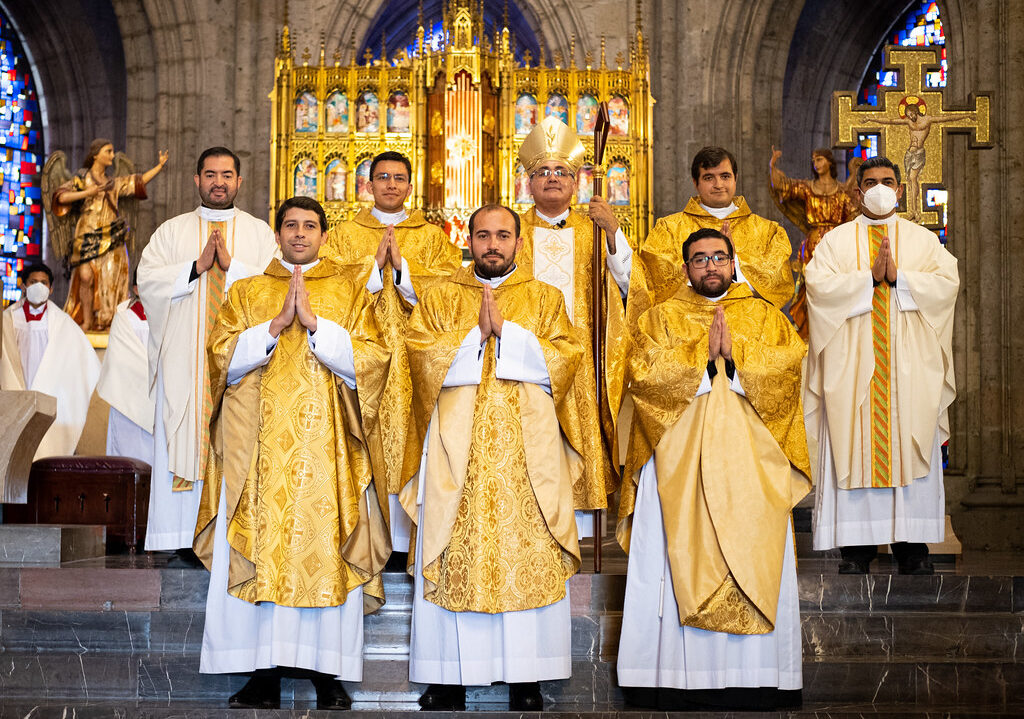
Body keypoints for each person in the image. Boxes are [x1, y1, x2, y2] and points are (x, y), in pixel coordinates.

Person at [193, 196, 391, 710]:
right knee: (260, 550)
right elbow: (219, 360)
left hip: (328, 451)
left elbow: (374, 359)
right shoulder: (247, 291)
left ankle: (328, 674)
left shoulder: (349, 292)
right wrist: (275, 326)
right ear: (277, 235)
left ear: (325, 236)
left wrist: (318, 327)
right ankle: (264, 675)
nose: (299, 234)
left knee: (325, 553)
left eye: (309, 226)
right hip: (258, 452)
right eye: (290, 226)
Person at [401, 204, 587, 712]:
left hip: (526, 456)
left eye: (502, 235)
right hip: (454, 450)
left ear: (518, 243)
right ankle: (447, 679)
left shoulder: (544, 298)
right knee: (451, 547)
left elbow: (567, 361)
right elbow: (419, 359)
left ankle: (526, 680)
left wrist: (510, 334)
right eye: (483, 235)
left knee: (525, 552)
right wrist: (474, 338)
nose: (492, 244)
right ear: (469, 239)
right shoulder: (441, 297)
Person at [616, 228, 811, 711]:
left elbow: (789, 371)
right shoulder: (661, 318)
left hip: (751, 468)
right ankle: (664, 678)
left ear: (733, 261)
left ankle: (760, 678)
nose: (710, 267)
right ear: (685, 269)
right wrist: (701, 361)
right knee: (670, 554)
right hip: (676, 466)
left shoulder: (764, 316)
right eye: (699, 259)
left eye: (718, 257)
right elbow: (640, 374)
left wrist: (737, 360)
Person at [805, 155, 959, 575]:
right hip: (853, 371)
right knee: (852, 445)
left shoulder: (923, 241)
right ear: (856, 191)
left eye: (887, 181)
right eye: (870, 181)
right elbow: (816, 289)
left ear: (901, 190)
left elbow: (947, 285)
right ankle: (856, 550)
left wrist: (902, 278)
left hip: (907, 370)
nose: (878, 188)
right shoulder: (836, 242)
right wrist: (867, 280)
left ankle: (912, 547)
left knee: (909, 443)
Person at [137, 147, 278, 555]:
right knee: (183, 436)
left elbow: (274, 287)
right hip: (185, 362)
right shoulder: (171, 231)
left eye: (227, 175)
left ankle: (232, 539)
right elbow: (147, 280)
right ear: (196, 180)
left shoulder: (258, 233)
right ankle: (181, 538)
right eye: (211, 174)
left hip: (243, 365)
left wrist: (232, 266)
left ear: (239, 181)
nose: (219, 182)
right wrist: (195, 268)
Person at [324, 150, 461, 556]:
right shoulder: (346, 234)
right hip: (360, 354)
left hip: (414, 357)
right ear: (368, 184)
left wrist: (401, 272)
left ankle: (406, 537)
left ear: (409, 185)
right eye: (382, 177)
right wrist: (371, 272)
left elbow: (452, 296)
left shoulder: (433, 237)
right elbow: (329, 290)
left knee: (411, 433)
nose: (390, 184)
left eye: (398, 178)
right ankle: (364, 532)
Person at [516, 115, 632, 533]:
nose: (552, 178)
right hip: (526, 353)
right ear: (528, 182)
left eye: (561, 172)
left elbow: (630, 285)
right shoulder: (510, 232)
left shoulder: (594, 227)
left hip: (582, 354)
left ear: (576, 182)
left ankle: (582, 525)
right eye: (542, 172)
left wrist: (614, 234)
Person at [630, 146, 794, 327]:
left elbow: (779, 288)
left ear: (736, 178)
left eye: (725, 176)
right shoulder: (668, 229)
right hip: (686, 328)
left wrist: (735, 261)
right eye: (709, 177)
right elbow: (655, 285)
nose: (718, 184)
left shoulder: (768, 231)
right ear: (695, 182)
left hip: (750, 328)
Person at [51, 139, 168, 331]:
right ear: (96, 154)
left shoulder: (113, 183)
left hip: (111, 236)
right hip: (87, 234)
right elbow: (61, 197)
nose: (112, 156)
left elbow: (136, 181)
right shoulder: (82, 178)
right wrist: (87, 192)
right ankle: (87, 320)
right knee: (85, 276)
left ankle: (107, 320)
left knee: (111, 277)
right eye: (109, 151)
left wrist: (159, 167)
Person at [0, 263, 101, 459]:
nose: (39, 286)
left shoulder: (62, 323)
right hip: (16, 390)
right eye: (33, 282)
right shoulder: (8, 319)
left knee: (45, 450)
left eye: (44, 283)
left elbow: (83, 361)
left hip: (50, 393)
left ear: (51, 288)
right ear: (23, 286)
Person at [769, 146, 860, 338]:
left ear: (829, 162)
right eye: (814, 161)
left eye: (819, 159)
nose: (816, 164)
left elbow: (853, 214)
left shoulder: (841, 191)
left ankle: (838, 331)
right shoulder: (808, 189)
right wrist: (773, 165)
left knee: (838, 289)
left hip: (838, 246)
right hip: (813, 247)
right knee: (810, 289)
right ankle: (810, 332)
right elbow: (782, 186)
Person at [95, 271, 154, 465]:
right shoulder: (123, 319)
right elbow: (121, 362)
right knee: (129, 462)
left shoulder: (168, 316)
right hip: (127, 402)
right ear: (136, 289)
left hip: (160, 403)